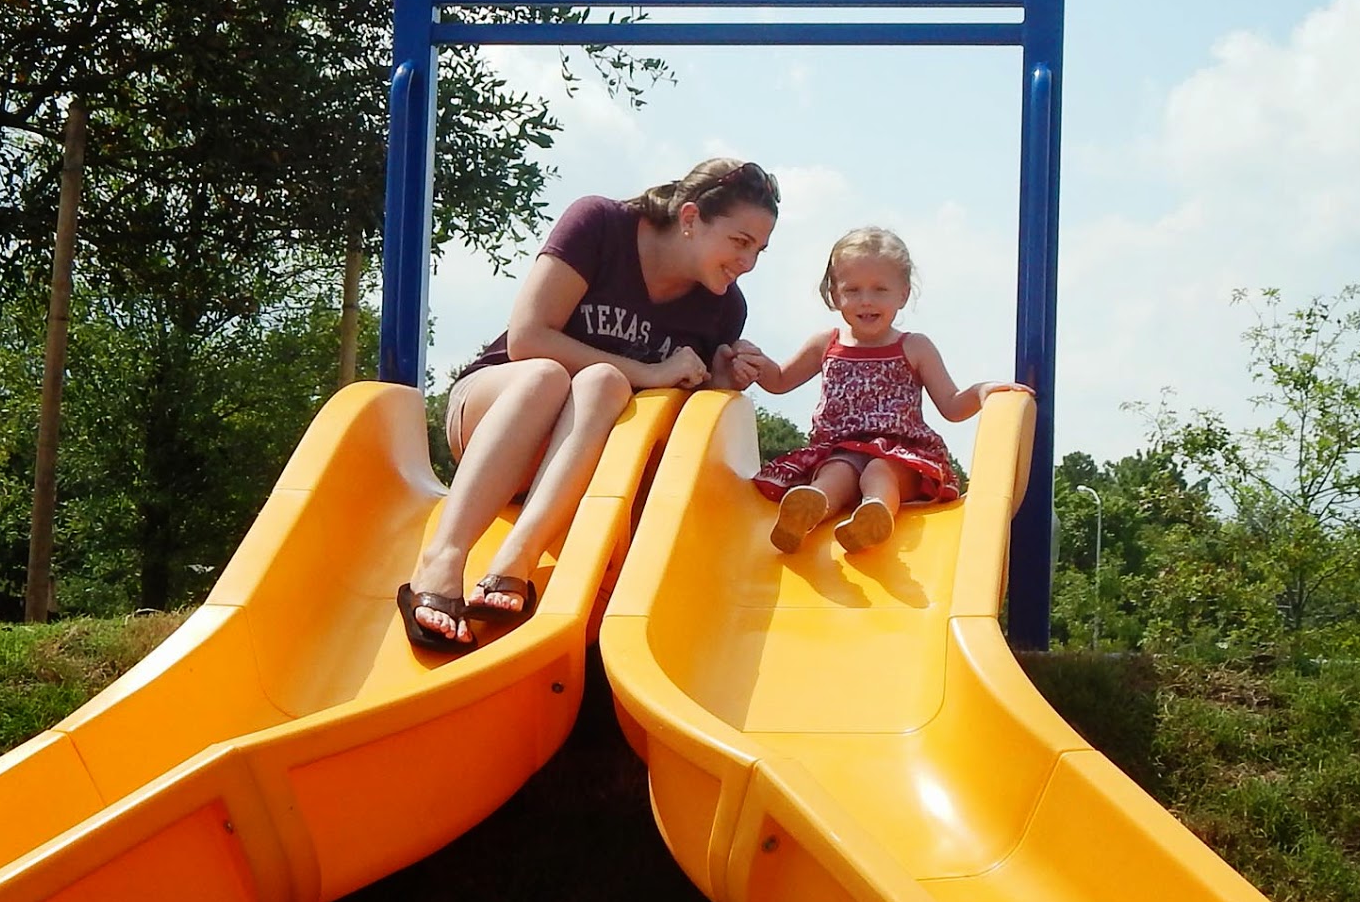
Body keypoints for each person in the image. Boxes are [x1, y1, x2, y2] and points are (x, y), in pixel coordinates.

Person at [398, 157, 780, 651]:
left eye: (759, 250)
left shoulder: (724, 307)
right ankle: (442, 560)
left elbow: (668, 434)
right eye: (740, 242)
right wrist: (649, 372)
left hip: (578, 461)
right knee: (548, 374)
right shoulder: (600, 224)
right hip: (495, 413)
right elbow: (527, 337)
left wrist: (720, 383)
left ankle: (516, 560)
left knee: (603, 383)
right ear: (690, 218)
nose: (748, 263)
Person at [748, 226, 1028, 554]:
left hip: (902, 456)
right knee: (836, 472)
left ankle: (875, 513)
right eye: (852, 290)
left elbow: (952, 406)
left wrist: (982, 392)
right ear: (835, 294)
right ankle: (808, 511)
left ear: (903, 294)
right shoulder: (826, 344)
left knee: (880, 471)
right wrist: (754, 362)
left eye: (880, 289)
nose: (866, 300)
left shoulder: (915, 347)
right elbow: (780, 381)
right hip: (841, 450)